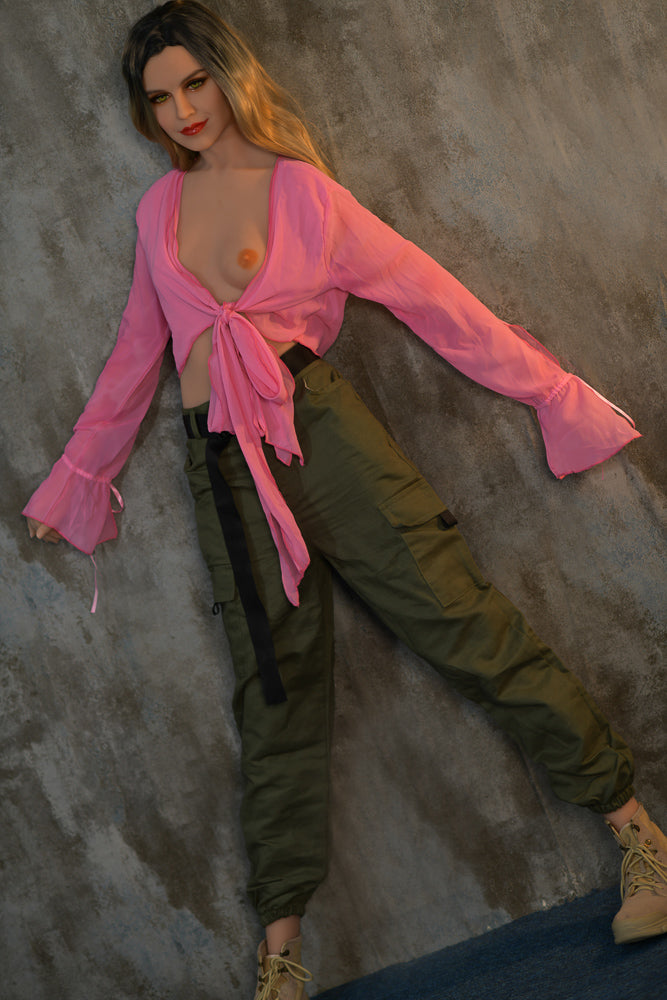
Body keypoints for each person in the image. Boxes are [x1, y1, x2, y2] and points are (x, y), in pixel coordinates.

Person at [22, 2, 667, 997]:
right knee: (272, 695)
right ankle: (281, 955)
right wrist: (80, 475)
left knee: (461, 623)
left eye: (195, 82)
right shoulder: (157, 213)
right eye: (160, 98)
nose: (183, 109)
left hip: (319, 436)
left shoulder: (304, 195)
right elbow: (135, 356)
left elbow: (434, 300)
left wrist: (554, 395)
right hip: (221, 469)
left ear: (228, 76)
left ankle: (638, 836)